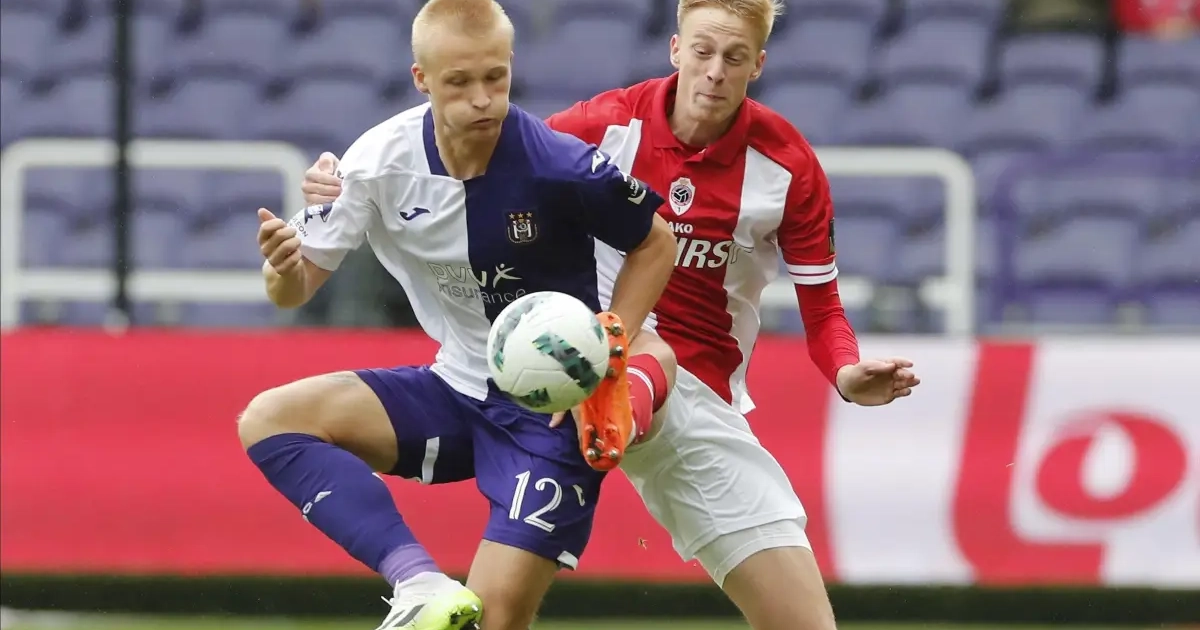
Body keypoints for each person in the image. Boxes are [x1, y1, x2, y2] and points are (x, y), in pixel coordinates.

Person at [302, 1, 921, 629]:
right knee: (494, 615)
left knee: (805, 623)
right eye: (702, 51)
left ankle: (619, 408)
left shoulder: (788, 166)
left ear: (757, 64)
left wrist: (845, 371)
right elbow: (488, 150)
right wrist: (340, 181)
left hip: (697, 397)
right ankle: (609, 403)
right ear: (675, 49)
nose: (714, 71)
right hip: (568, 356)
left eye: (734, 58)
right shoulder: (601, 125)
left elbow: (824, 308)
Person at [237, 1, 678, 629]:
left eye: (495, 77)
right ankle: (417, 583)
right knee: (271, 419)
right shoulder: (377, 162)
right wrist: (283, 266)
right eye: (459, 82)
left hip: (552, 412)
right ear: (421, 79)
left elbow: (656, 242)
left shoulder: (559, 165)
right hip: (456, 388)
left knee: (494, 621)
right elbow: (293, 290)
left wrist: (610, 344)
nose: (482, 99)